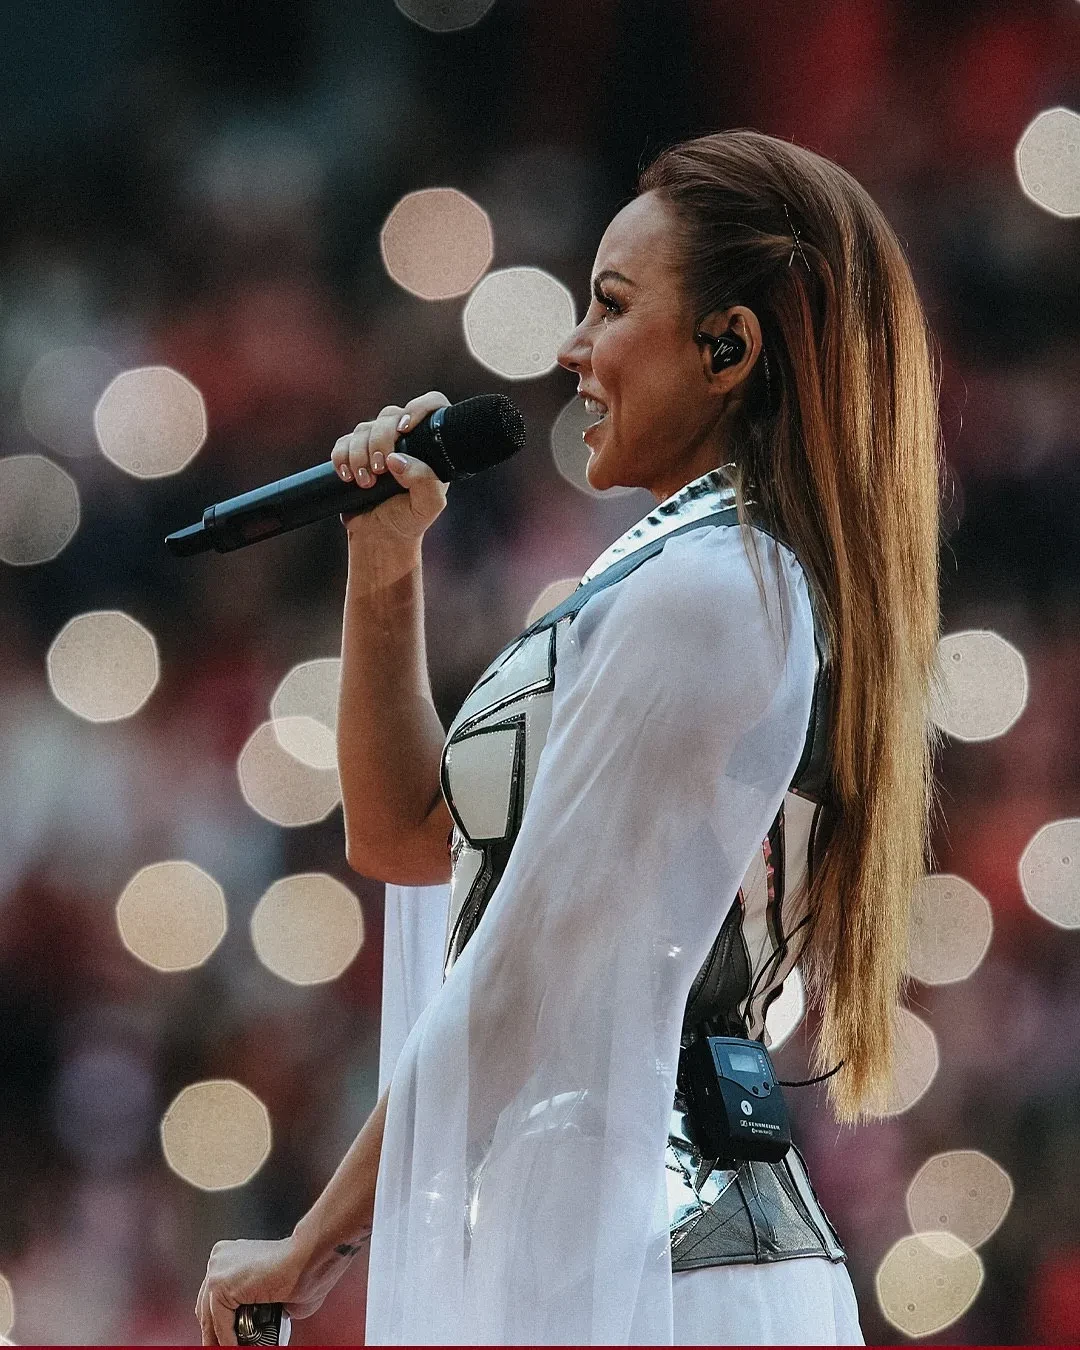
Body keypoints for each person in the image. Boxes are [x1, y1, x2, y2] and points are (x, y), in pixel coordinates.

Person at [196, 128, 945, 1345]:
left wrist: (313, 1242)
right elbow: (405, 838)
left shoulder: (716, 591)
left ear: (728, 347)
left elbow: (531, 963)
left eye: (611, 304)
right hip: (602, 1255)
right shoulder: (684, 577)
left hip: (670, 1273)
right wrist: (385, 567)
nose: (570, 347)